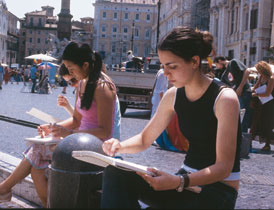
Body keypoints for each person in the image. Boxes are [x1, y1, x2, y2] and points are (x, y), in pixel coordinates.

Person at [101, 26, 241, 209]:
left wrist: (179, 181)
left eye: (172, 66)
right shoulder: (173, 95)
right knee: (115, 173)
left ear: (194, 61)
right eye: (163, 66)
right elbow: (144, 139)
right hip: (182, 182)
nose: (166, 74)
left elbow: (224, 168)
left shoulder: (225, 99)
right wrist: (119, 146)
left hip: (216, 191)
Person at [0, 42, 120, 207]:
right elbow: (76, 120)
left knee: (37, 150)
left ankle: (3, 189)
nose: (71, 74)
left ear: (85, 65)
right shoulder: (82, 84)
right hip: (78, 140)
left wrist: (69, 135)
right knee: (36, 169)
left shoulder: (103, 87)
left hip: (95, 146)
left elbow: (105, 131)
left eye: (71, 69)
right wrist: (52, 128)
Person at [214, 56, 252, 133]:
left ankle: (243, 137)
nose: (217, 67)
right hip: (237, 95)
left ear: (220, 61)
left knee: (244, 116)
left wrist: (240, 87)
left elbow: (247, 71)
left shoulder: (233, 62)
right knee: (238, 117)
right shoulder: (224, 75)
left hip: (244, 92)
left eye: (216, 64)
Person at [250, 61, 274, 151]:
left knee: (267, 124)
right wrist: (252, 90)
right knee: (256, 122)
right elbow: (255, 88)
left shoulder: (271, 78)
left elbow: (268, 93)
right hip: (260, 103)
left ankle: (267, 144)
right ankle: (250, 142)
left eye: (259, 70)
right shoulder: (261, 77)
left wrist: (255, 95)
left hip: (269, 104)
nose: (258, 71)